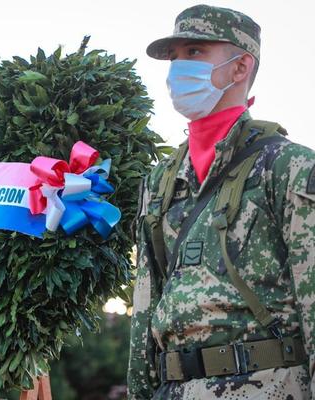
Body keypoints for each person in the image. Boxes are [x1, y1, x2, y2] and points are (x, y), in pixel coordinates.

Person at [128, 4, 315, 399]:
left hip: (268, 387)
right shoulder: (161, 181)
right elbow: (145, 309)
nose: (178, 69)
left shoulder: (288, 166)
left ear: (240, 67)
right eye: (174, 57)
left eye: (195, 52)